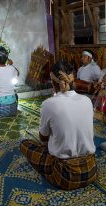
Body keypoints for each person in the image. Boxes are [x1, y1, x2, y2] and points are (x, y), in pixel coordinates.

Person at [20, 61, 97, 190]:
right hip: (90, 169)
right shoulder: (87, 100)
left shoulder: (49, 104)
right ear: (73, 79)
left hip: (65, 174)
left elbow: (43, 139)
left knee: (25, 144)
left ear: (54, 82)